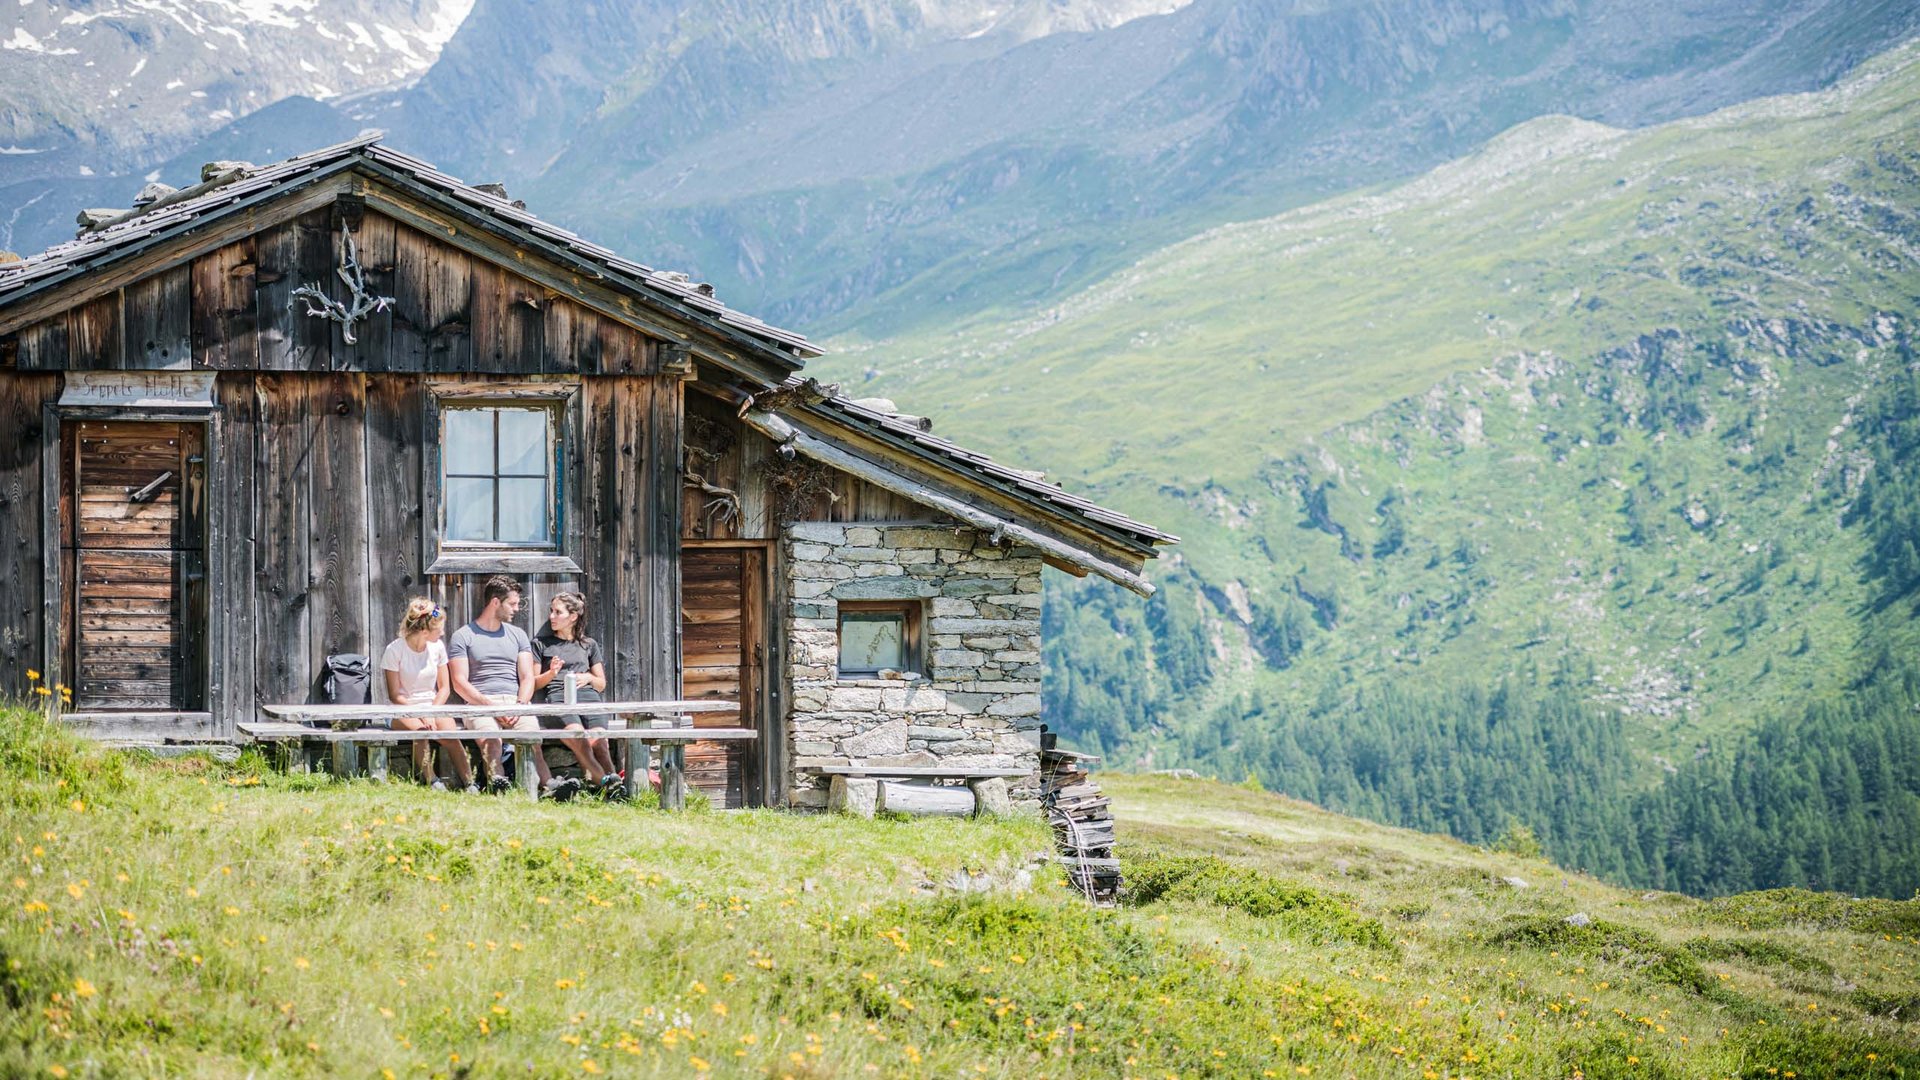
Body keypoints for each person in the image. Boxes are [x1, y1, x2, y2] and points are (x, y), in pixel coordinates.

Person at [447, 575, 581, 799]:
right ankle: (499, 786)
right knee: (491, 741)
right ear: (495, 602)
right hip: (479, 703)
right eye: (513, 603)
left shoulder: (517, 635)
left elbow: (528, 677)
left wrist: (519, 705)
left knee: (531, 739)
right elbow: (460, 683)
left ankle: (550, 787)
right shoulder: (463, 636)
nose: (517, 609)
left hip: (514, 702)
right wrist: (492, 708)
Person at [532, 591, 622, 799]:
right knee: (579, 738)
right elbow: (534, 683)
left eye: (557, 612)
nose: (551, 617)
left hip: (590, 698)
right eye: (551, 611)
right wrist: (551, 673)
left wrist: (589, 678)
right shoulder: (541, 644)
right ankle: (609, 784)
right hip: (558, 700)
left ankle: (611, 784)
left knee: (599, 741)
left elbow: (601, 684)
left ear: (573, 617)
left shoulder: (588, 645)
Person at [380, 598, 475, 792]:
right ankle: (432, 780)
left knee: (450, 735)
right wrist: (420, 714)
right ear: (424, 631)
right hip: (403, 708)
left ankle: (470, 782)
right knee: (420, 731)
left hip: (433, 705)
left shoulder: (437, 647)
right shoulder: (395, 650)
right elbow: (394, 695)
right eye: (438, 629)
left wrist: (431, 711)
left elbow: (444, 688)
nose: (442, 632)